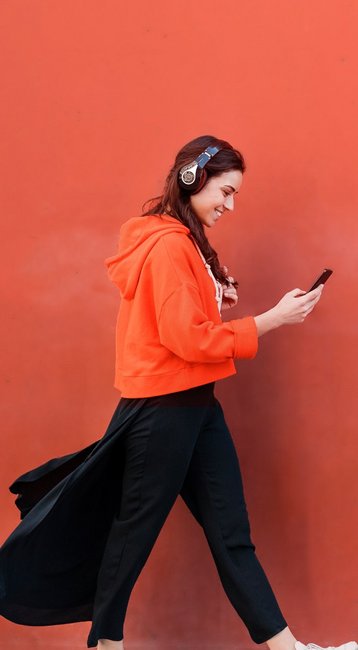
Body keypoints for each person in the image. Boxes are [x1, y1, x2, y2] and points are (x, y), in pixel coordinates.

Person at [0, 135, 356, 650]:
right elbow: (185, 340)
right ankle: (106, 644)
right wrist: (271, 320)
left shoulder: (183, 244)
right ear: (193, 178)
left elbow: (185, 328)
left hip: (195, 406)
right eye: (225, 192)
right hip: (163, 411)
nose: (230, 206)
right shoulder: (169, 245)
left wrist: (216, 298)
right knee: (132, 535)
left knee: (230, 533)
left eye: (236, 196)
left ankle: (289, 649)